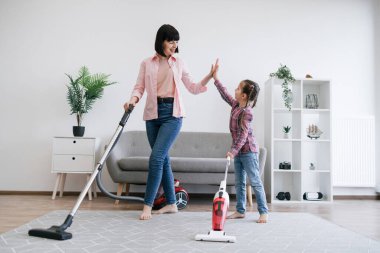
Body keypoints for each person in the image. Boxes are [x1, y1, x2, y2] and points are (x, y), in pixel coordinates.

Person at [123, 24, 214, 220]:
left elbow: (193, 87)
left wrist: (209, 76)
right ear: (161, 41)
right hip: (152, 115)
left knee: (155, 158)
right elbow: (139, 87)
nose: (174, 45)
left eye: (177, 42)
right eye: (171, 41)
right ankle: (172, 204)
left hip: (172, 114)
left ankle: (147, 206)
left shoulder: (179, 62)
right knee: (163, 160)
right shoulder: (146, 63)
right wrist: (132, 100)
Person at [211, 59, 269, 223]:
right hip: (239, 152)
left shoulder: (247, 113)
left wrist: (232, 152)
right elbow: (225, 95)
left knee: (255, 181)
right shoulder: (236, 105)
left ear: (244, 95)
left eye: (237, 88)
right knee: (239, 183)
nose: (234, 90)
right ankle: (240, 210)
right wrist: (216, 79)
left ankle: (263, 212)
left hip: (249, 152)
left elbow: (243, 136)